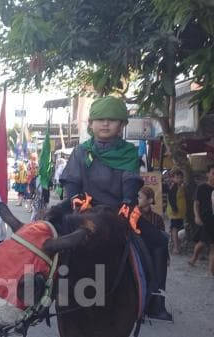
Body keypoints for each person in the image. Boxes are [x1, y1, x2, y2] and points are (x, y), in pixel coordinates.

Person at [60, 96, 175, 318]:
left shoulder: (130, 153)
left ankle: (156, 301)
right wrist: (74, 198)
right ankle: (47, 297)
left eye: (112, 120)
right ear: (91, 124)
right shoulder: (80, 151)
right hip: (82, 212)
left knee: (159, 240)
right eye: (100, 119)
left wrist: (127, 203)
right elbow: (72, 181)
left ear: (122, 125)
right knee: (47, 239)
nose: (105, 124)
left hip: (120, 212)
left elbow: (130, 181)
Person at [137, 186, 173, 321]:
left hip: (154, 256)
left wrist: (166, 257)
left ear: (150, 200)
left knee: (156, 279)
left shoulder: (157, 218)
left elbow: (162, 241)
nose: (137, 199)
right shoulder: (135, 216)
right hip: (141, 254)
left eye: (140, 197)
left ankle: (155, 308)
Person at [188, 164, 214, 276]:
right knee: (202, 242)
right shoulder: (202, 188)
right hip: (205, 220)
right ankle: (194, 257)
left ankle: (210, 270)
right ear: (208, 174)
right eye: (213, 173)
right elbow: (196, 204)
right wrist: (197, 216)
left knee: (213, 245)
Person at [166, 169, 187, 254]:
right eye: (177, 178)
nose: (179, 179)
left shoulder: (181, 186)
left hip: (180, 213)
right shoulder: (173, 187)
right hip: (175, 212)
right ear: (173, 179)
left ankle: (176, 244)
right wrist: (174, 209)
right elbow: (172, 199)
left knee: (178, 228)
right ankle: (175, 247)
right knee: (175, 228)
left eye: (181, 177)